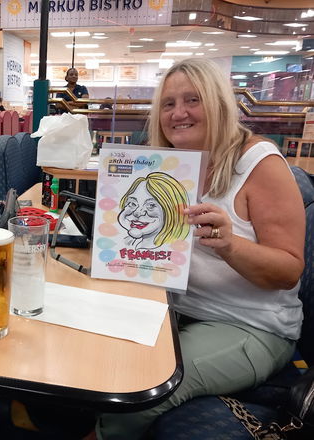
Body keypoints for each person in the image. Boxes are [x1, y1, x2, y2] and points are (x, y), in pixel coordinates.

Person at [96, 58, 305, 439]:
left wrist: (230, 245)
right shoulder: (164, 165)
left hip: (250, 325)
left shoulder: (258, 163)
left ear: (219, 104)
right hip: (173, 309)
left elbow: (288, 270)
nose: (179, 113)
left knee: (143, 387)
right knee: (88, 349)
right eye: (168, 104)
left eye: (193, 100)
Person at [117, 172, 190, 250]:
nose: (137, 213)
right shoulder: (124, 244)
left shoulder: (175, 248)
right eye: (132, 203)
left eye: (151, 205)